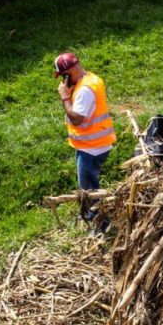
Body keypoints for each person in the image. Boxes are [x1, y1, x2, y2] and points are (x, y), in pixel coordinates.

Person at [55, 52, 116, 224]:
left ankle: (98, 220)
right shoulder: (91, 79)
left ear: (68, 72)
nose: (62, 80)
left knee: (88, 189)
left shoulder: (84, 90)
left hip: (91, 147)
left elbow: (77, 118)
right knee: (91, 185)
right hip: (96, 144)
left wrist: (65, 97)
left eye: (63, 76)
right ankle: (93, 214)